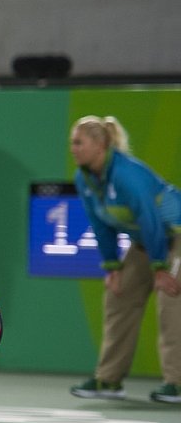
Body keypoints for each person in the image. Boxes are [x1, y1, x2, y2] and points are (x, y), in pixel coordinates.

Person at [68, 115, 181, 404]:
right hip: (146, 242)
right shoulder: (84, 178)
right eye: (72, 143)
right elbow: (99, 223)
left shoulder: (129, 175)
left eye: (79, 142)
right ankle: (109, 380)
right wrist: (113, 265)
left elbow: (152, 221)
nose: (74, 148)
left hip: (175, 236)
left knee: (172, 303)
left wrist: (159, 268)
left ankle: (177, 383)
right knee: (119, 297)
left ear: (100, 144)